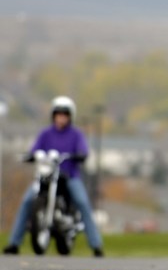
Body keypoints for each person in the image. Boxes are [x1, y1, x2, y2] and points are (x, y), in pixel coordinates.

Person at [3, 96, 104, 257]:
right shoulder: (45, 134)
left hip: (69, 176)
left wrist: (77, 156)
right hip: (46, 176)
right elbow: (35, 150)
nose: (61, 117)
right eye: (58, 114)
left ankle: (96, 244)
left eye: (65, 114)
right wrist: (30, 156)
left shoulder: (76, 135)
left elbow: (83, 152)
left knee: (82, 202)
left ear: (70, 116)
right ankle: (14, 243)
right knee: (27, 200)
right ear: (53, 115)